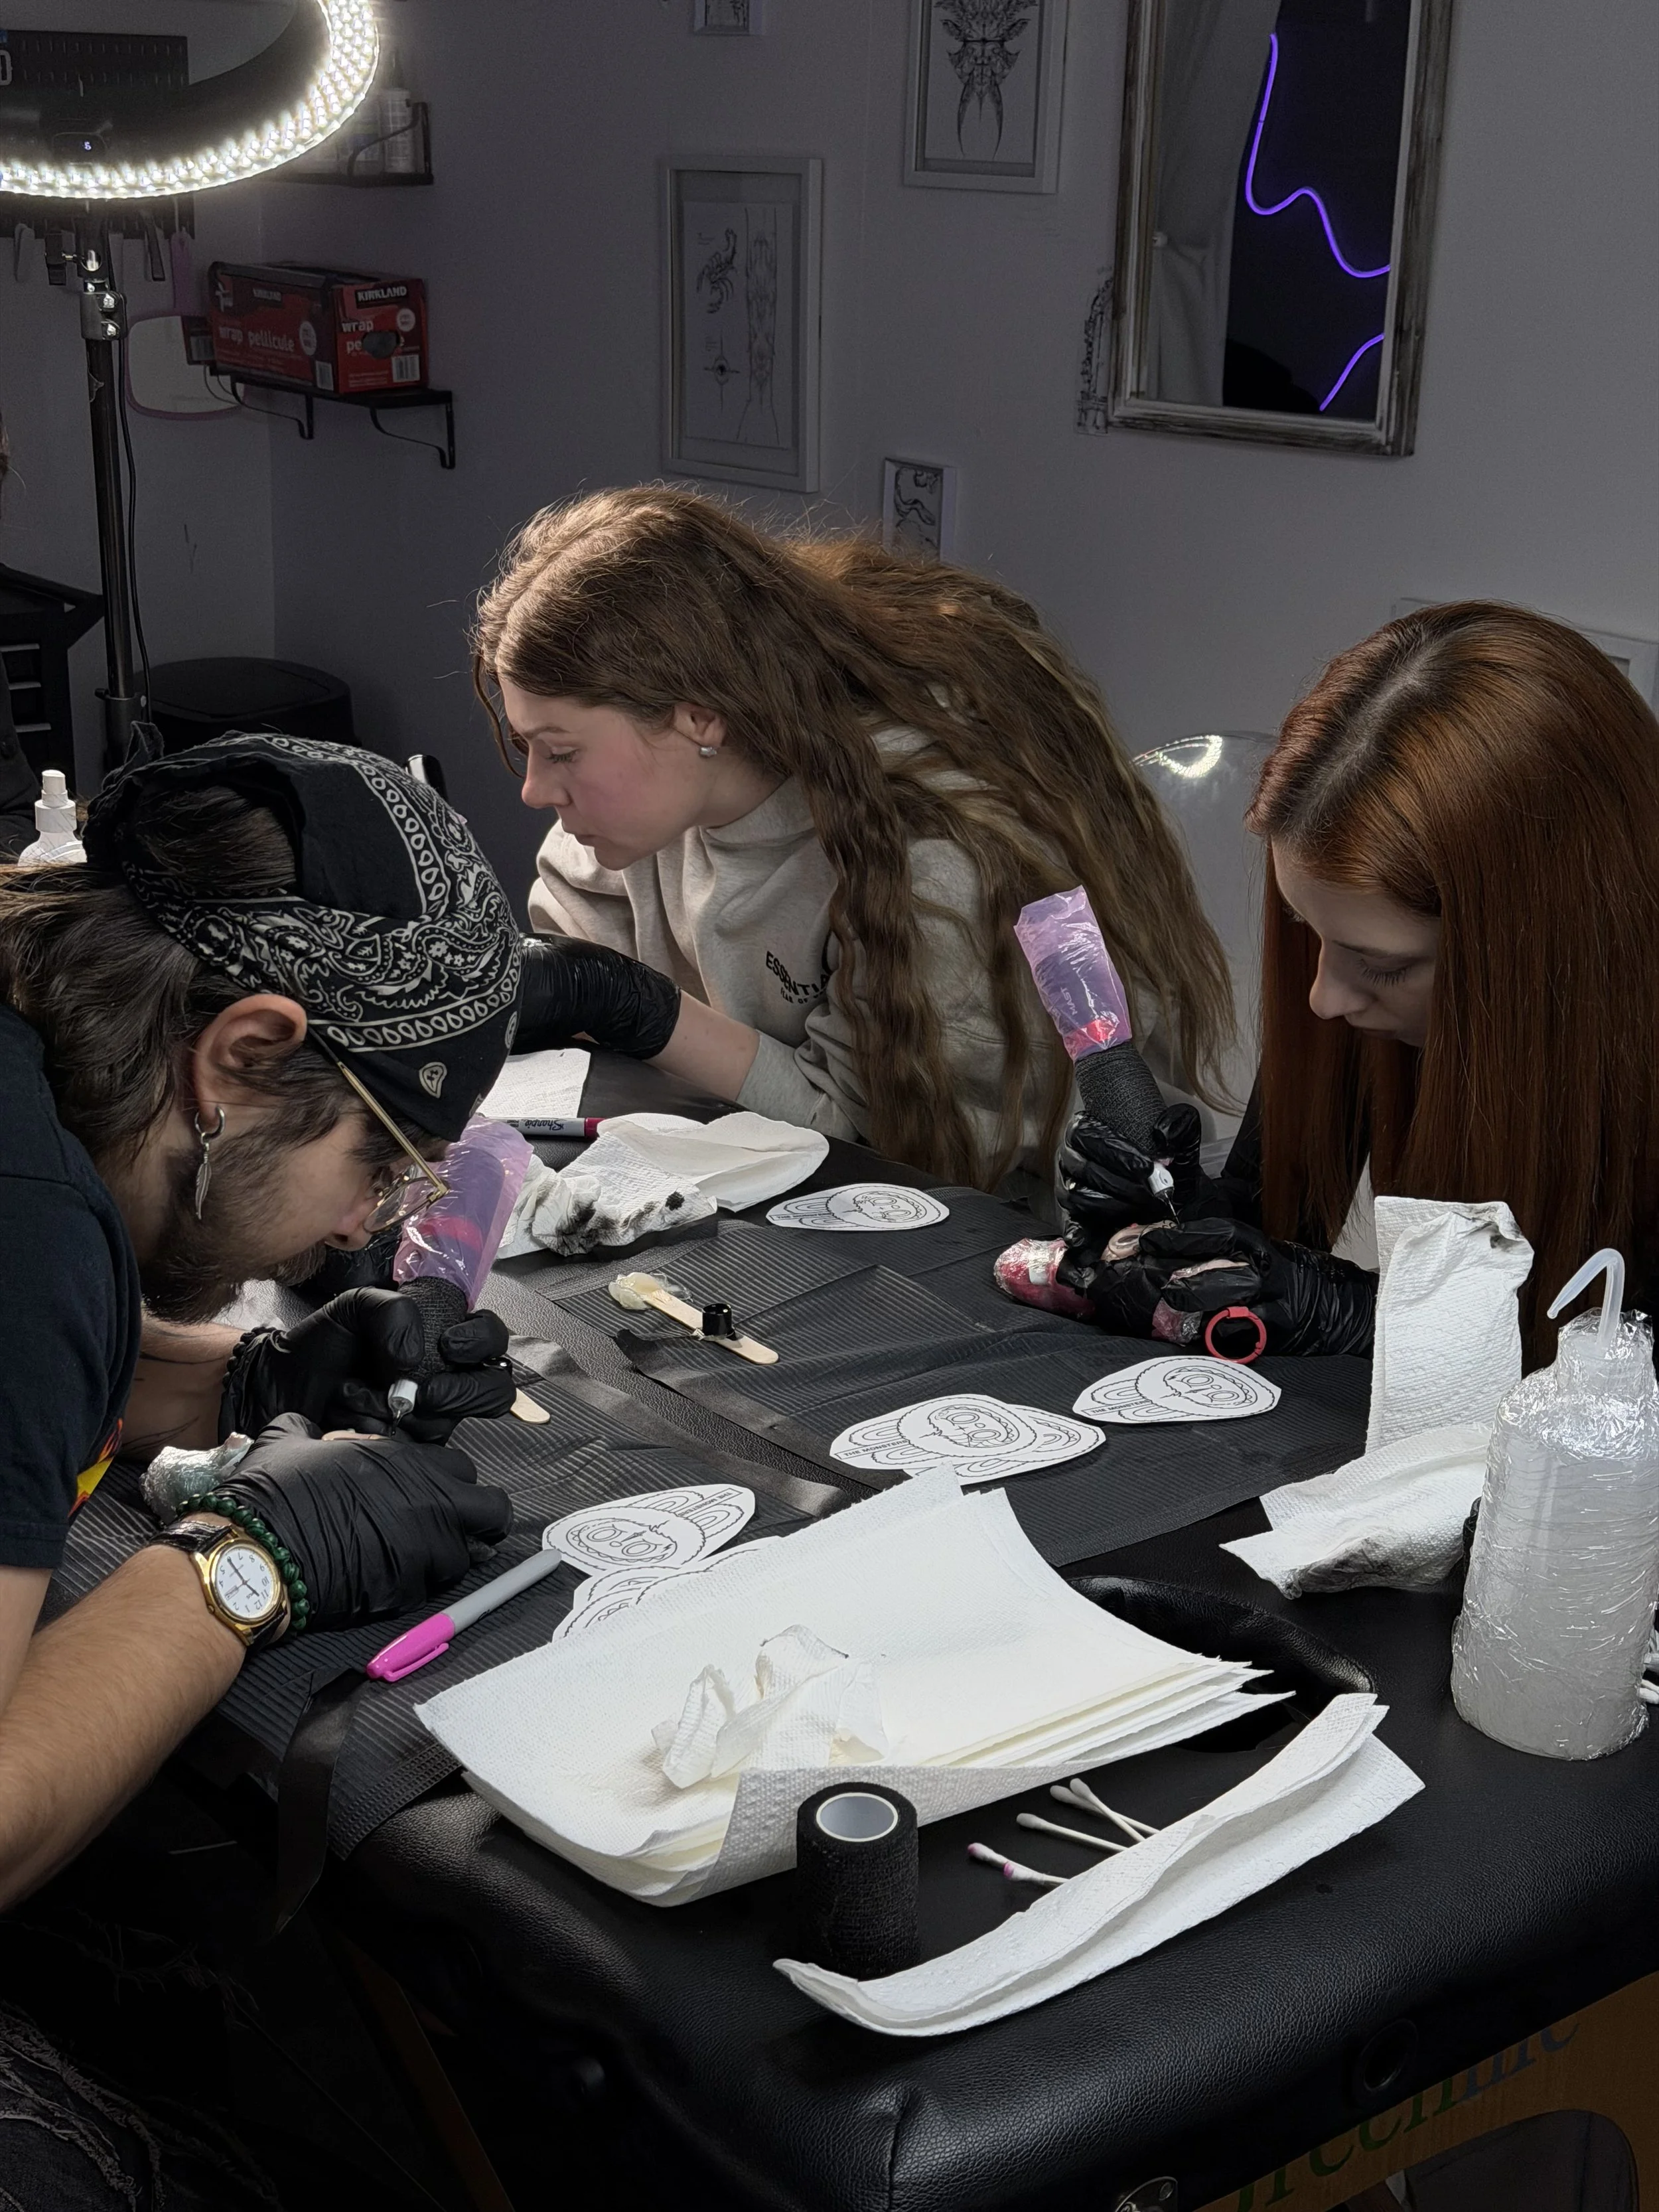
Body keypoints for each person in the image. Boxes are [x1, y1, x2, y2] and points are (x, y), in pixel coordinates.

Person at [0, 729, 525, 2200]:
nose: (363, 1228)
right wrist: (242, 1562)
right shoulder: (31, 1218)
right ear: (244, 1056)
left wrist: (240, 1378)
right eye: (382, 1165)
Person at [476, 486, 1235, 1198]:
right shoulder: (640, 814)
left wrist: (634, 1006)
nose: (535, 791)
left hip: (976, 1240)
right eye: (528, 748)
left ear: (698, 718)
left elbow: (880, 1149)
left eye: (562, 751)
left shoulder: (936, 859)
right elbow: (580, 1027)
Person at [1057, 603, 1659, 1364]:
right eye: (1306, 931)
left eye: (1382, 965)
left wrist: (1373, 1320)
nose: (1324, 998)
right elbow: (1272, 1232)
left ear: (1540, 951)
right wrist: (1181, 1228)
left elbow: (1614, 1405)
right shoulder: (1351, 1003)